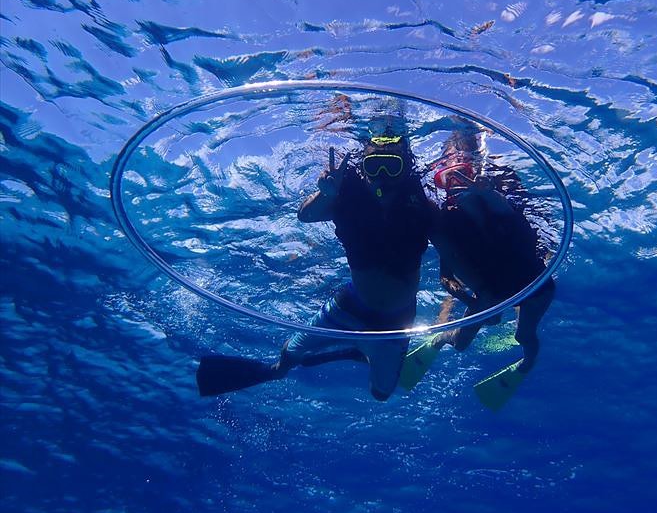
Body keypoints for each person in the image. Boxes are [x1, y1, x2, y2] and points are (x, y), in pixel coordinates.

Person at [196, 132, 435, 401]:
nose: (382, 175)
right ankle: (279, 369)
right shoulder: (347, 197)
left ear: (406, 169)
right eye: (373, 166)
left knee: (381, 394)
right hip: (352, 303)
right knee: (289, 354)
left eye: (392, 167)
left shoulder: (421, 207)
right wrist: (326, 193)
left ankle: (358, 349)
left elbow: (456, 244)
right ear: (363, 167)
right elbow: (305, 215)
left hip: (396, 320)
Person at [399, 129, 555, 411]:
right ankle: (440, 337)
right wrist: (472, 301)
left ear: (475, 174)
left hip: (534, 283)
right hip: (492, 290)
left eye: (462, 176)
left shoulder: (499, 202)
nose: (456, 185)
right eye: (449, 179)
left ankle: (526, 364)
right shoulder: (447, 223)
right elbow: (446, 278)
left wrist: (489, 192)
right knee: (461, 343)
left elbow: (509, 212)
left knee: (524, 336)